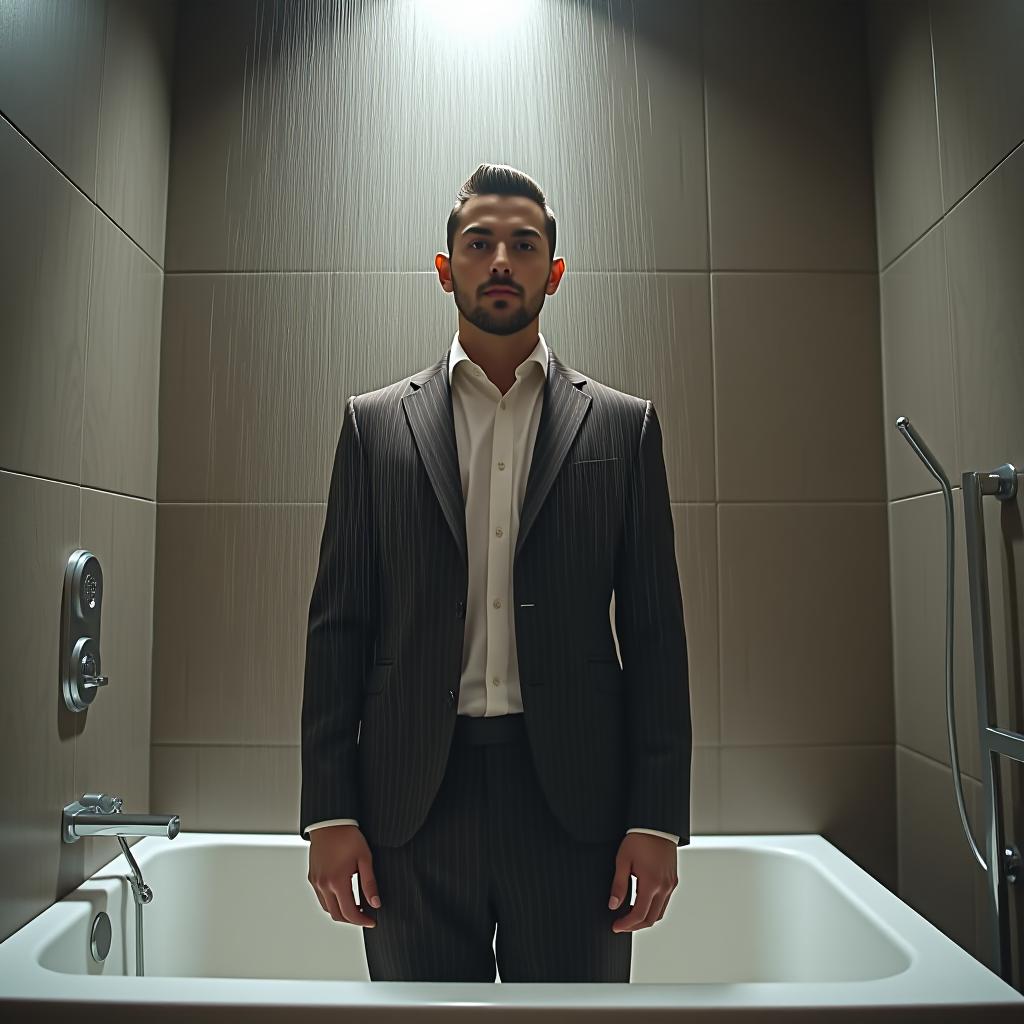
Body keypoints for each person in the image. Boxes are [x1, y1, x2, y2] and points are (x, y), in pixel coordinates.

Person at [300, 163, 691, 983]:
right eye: (479, 244)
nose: (501, 261)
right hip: (411, 803)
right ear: (447, 271)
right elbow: (340, 625)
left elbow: (656, 637)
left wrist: (656, 818)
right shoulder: (374, 428)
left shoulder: (624, 427)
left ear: (554, 270)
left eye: (524, 244)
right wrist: (329, 810)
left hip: (575, 806)